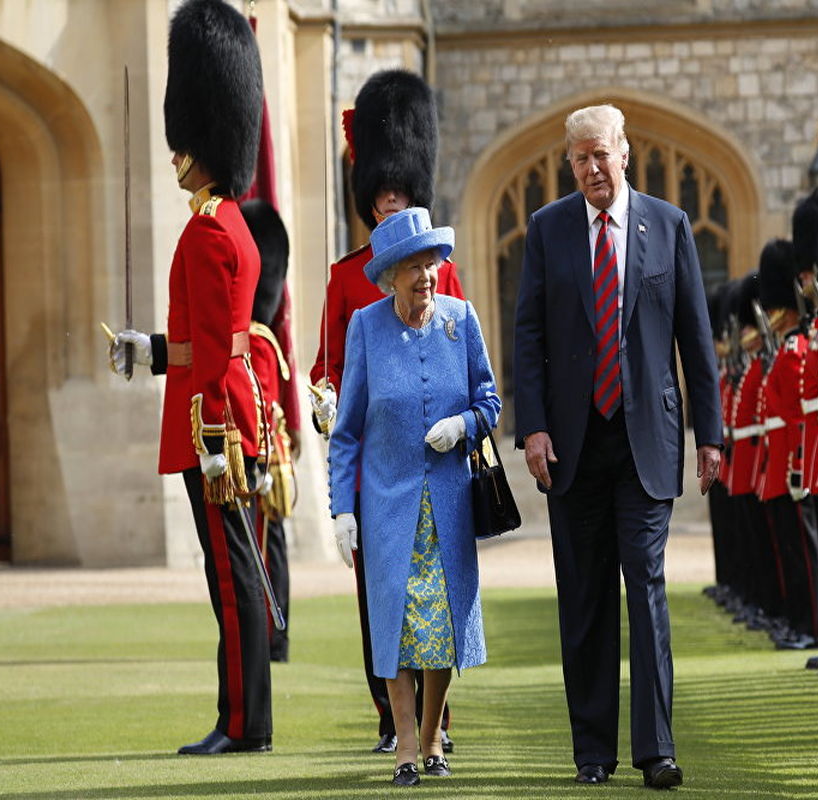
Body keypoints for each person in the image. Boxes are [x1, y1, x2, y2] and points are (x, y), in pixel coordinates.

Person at [513, 103, 722, 789]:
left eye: (601, 154)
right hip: (573, 445)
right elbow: (530, 337)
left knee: (648, 588)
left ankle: (655, 749)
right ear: (569, 163)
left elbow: (695, 338)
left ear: (624, 153)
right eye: (580, 158)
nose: (592, 168)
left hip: (648, 443)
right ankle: (593, 754)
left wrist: (710, 437)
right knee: (585, 599)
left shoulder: (668, 226)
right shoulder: (547, 230)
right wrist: (534, 427)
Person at [108, 0, 271, 754]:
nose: (175, 156)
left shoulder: (210, 232)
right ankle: (244, 720)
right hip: (222, 411)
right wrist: (146, 350)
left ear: (205, 144)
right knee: (233, 575)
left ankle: (240, 725)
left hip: (213, 426)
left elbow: (212, 351)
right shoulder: (227, 222)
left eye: (183, 146)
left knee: (231, 583)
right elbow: (206, 340)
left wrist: (212, 439)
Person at [308, 68, 463, 754]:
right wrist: (327, 399)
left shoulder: (442, 271)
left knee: (437, 585)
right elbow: (326, 364)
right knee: (381, 591)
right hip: (373, 456)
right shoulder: (347, 277)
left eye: (396, 186)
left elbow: (461, 346)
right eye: (377, 189)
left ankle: (436, 725)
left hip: (431, 451)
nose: (386, 198)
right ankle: (388, 715)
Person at [328, 206, 499, 787]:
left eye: (431, 264)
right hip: (387, 504)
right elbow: (346, 428)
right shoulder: (366, 327)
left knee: (443, 623)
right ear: (390, 276)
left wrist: (464, 426)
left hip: (448, 499)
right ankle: (404, 744)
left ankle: (431, 738)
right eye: (415, 267)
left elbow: (490, 401)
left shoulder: (461, 319)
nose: (427, 276)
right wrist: (342, 507)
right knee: (396, 624)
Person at [241, 198, 297, 663]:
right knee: (267, 542)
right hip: (262, 449)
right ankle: (271, 633)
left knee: (264, 543)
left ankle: (274, 634)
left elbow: (260, 399)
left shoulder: (257, 339)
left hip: (260, 454)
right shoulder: (260, 335)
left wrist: (256, 460)